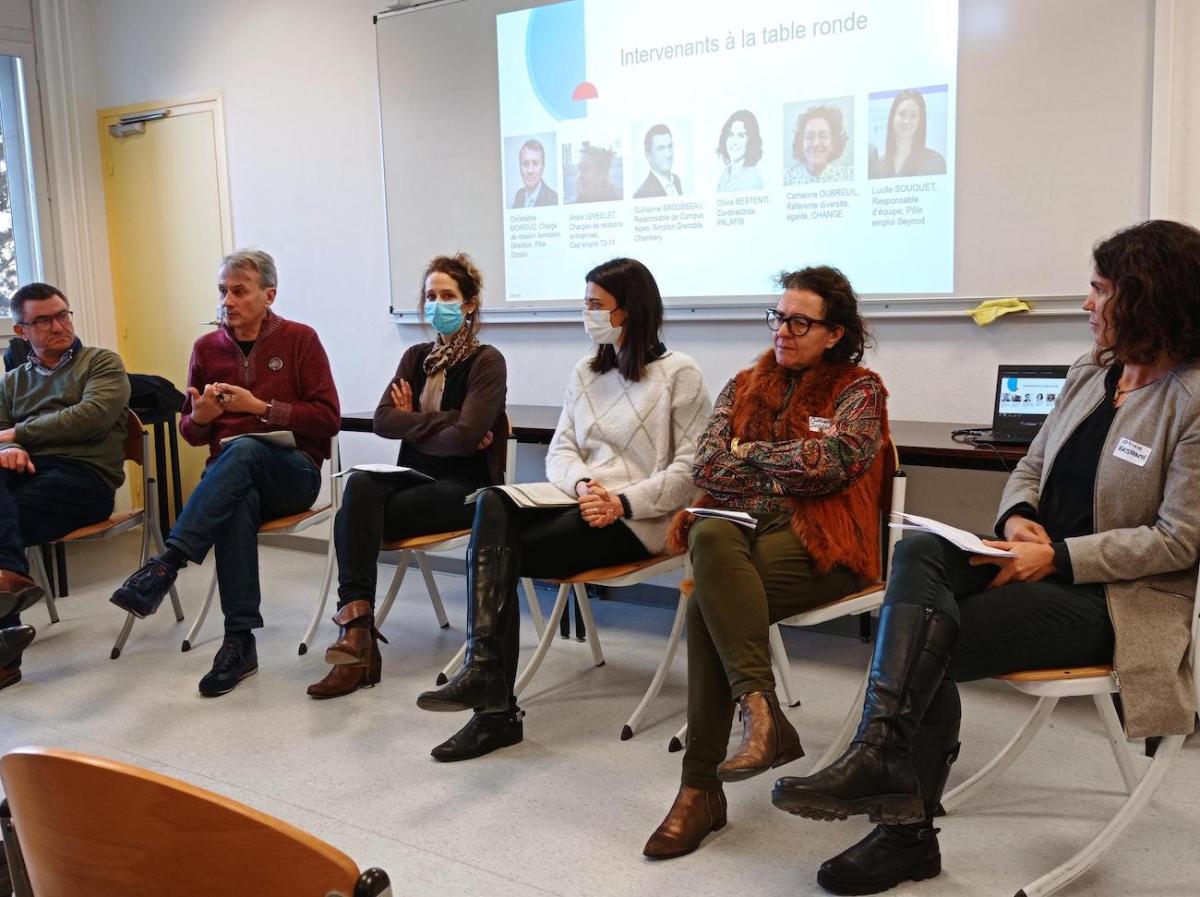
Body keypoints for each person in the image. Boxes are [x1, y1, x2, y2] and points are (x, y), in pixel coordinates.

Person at [771, 219, 1200, 896]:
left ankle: (902, 827)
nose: (1087, 304)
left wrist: (1057, 555)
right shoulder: (1095, 370)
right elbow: (1029, 465)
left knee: (924, 635)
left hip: (1113, 597)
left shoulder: (1192, 398)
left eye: (1098, 290)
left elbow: (1179, 539)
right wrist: (1020, 519)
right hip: (1028, 555)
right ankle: (887, 773)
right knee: (920, 560)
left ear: (1146, 297)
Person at [415, 257, 711, 761]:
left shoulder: (680, 374)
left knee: (498, 554)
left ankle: (494, 707)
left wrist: (620, 501)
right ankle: (489, 680)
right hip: (580, 501)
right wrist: (583, 486)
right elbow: (561, 450)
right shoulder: (585, 370)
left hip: (639, 520)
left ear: (629, 311)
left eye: (596, 305)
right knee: (492, 504)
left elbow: (692, 471)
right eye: (586, 303)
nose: (587, 313)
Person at [643, 266, 889, 859]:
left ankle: (699, 789)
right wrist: (779, 465)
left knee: (708, 597)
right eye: (779, 317)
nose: (783, 330)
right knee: (709, 535)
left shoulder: (860, 389)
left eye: (800, 321)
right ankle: (759, 711)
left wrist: (749, 453)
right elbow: (706, 466)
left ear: (834, 333)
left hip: (823, 541)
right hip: (738, 533)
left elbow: (834, 462)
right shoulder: (743, 382)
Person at [111, 249, 340, 697]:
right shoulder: (205, 349)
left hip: (293, 472)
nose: (228, 300)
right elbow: (192, 433)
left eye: (239, 291)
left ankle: (168, 562)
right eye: (222, 291)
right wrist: (200, 417)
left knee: (247, 449)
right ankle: (240, 641)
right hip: (232, 481)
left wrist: (259, 408)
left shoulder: (300, 339)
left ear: (268, 294)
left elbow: (328, 418)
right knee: (237, 500)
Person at [307, 253, 507, 699]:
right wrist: (445, 426)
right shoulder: (415, 357)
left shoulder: (487, 361)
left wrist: (416, 419)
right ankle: (357, 628)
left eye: (448, 296)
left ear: (470, 304)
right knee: (358, 486)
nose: (438, 304)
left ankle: (356, 645)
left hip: (466, 489)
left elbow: (469, 437)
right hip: (414, 477)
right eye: (431, 296)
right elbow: (382, 421)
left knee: (355, 517)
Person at [0, 282, 130, 690]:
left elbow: (90, 416)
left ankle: (6, 643)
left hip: (84, 478)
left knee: (5, 524)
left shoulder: (101, 363)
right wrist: (9, 448)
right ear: (21, 331)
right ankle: (5, 595)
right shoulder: (11, 383)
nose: (58, 325)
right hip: (24, 475)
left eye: (63, 314)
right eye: (43, 320)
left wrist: (19, 435)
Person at [868, 89, 946, 179]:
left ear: (920, 121)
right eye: (902, 114)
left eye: (913, 116)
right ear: (892, 117)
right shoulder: (878, 165)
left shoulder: (934, 162)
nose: (907, 121)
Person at [785, 105, 852, 185]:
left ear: (833, 143)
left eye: (823, 136)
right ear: (801, 144)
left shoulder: (847, 176)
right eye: (809, 137)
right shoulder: (786, 178)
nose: (815, 143)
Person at [715, 110, 764, 192]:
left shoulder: (752, 180)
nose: (734, 142)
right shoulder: (726, 173)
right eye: (731, 135)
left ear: (751, 141)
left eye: (741, 136)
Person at [634, 124, 683, 198]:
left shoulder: (676, 180)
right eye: (660, 149)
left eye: (670, 146)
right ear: (648, 156)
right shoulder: (641, 195)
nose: (668, 155)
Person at [511, 139, 558, 209]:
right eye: (525, 164)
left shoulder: (554, 199)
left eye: (535, 163)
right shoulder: (519, 195)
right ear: (519, 168)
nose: (530, 171)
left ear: (543, 167)